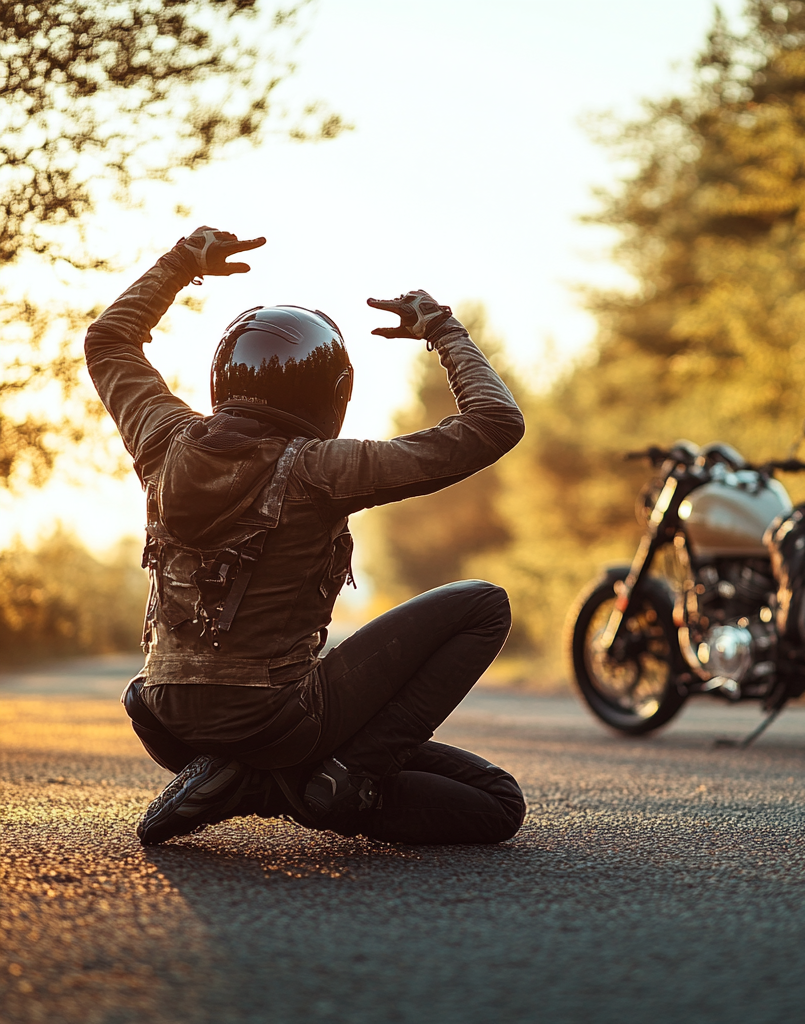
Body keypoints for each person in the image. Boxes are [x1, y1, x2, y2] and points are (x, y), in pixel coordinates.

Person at [84, 226, 527, 846]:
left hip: (167, 717)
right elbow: (494, 422)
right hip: (275, 718)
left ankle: (250, 780)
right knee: (485, 607)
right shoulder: (325, 468)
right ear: (332, 392)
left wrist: (183, 262)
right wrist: (443, 329)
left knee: (493, 800)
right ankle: (338, 779)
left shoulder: (161, 440)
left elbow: (109, 341)